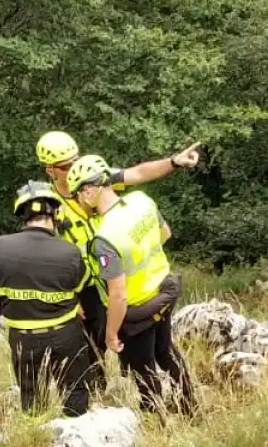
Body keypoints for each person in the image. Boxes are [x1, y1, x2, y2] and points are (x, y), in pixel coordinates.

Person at [34, 130, 201, 360]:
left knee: (142, 348)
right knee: (93, 349)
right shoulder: (48, 205)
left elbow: (138, 173)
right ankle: (101, 388)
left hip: (116, 277)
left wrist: (174, 162)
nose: (73, 168)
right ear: (50, 170)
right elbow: (48, 256)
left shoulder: (92, 178)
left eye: (75, 161)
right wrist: (68, 297)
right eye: (65, 166)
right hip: (86, 288)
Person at [66, 154, 197, 414]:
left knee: (142, 367)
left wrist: (111, 334)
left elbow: (118, 295)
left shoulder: (105, 238)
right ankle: (189, 407)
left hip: (137, 310)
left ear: (89, 190)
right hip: (164, 290)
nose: (79, 201)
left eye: (78, 194)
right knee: (166, 353)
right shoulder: (141, 201)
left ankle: (154, 417)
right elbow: (165, 234)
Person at [0, 182, 100, 416]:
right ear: (54, 213)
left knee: (33, 400)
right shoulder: (69, 251)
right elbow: (83, 287)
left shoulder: (0, 247)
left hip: (24, 339)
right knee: (75, 393)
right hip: (65, 334)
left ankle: (37, 440)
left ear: (22, 215)